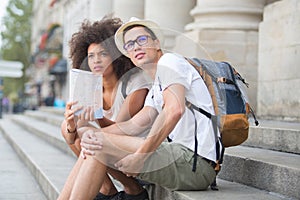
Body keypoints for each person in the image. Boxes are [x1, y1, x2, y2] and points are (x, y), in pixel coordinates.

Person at [58, 17, 222, 200]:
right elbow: (132, 126)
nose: (135, 47)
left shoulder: (170, 62)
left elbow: (174, 110)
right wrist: (81, 130)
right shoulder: (156, 88)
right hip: (181, 158)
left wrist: (141, 156)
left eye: (142, 40)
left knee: (96, 143)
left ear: (157, 43)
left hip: (195, 164)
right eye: (129, 44)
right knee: (92, 139)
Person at [60, 17, 151, 200]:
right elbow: (71, 137)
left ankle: (132, 188)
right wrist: (71, 124)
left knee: (89, 136)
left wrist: (98, 115)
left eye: (103, 54)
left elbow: (122, 130)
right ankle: (106, 187)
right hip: (107, 150)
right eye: (91, 56)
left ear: (116, 55)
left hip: (137, 153)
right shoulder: (91, 87)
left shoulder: (135, 83)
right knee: (76, 130)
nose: (96, 61)